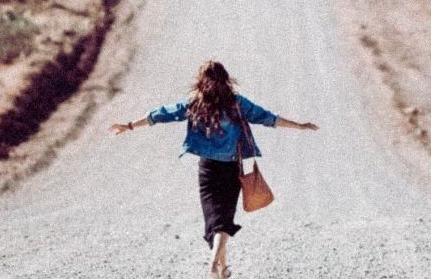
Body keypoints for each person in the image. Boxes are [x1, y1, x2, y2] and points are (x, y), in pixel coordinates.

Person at [110, 60, 318, 279]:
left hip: (207, 170)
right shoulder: (237, 104)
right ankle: (217, 268)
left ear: (201, 82)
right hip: (231, 169)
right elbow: (268, 118)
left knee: (214, 222)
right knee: (222, 222)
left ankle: (219, 268)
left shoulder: (194, 104)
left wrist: (130, 125)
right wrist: (299, 125)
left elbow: (162, 114)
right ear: (226, 80)